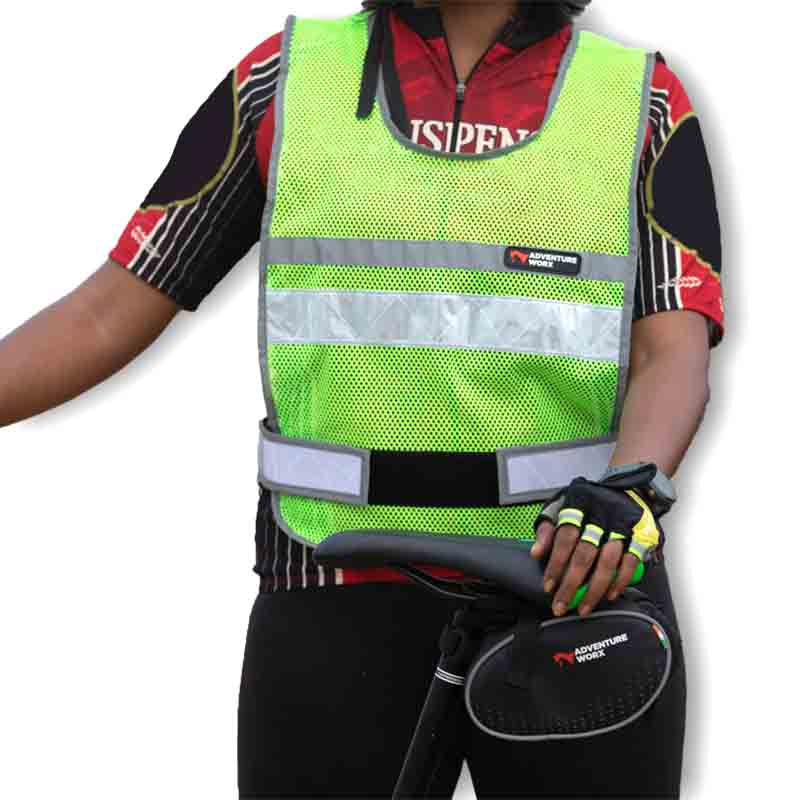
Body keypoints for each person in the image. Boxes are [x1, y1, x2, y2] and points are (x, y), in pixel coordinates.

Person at [0, 1, 723, 797]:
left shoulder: (641, 100)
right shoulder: (282, 81)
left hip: (574, 584)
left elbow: (673, 351)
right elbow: (108, 311)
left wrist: (627, 487)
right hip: (329, 577)